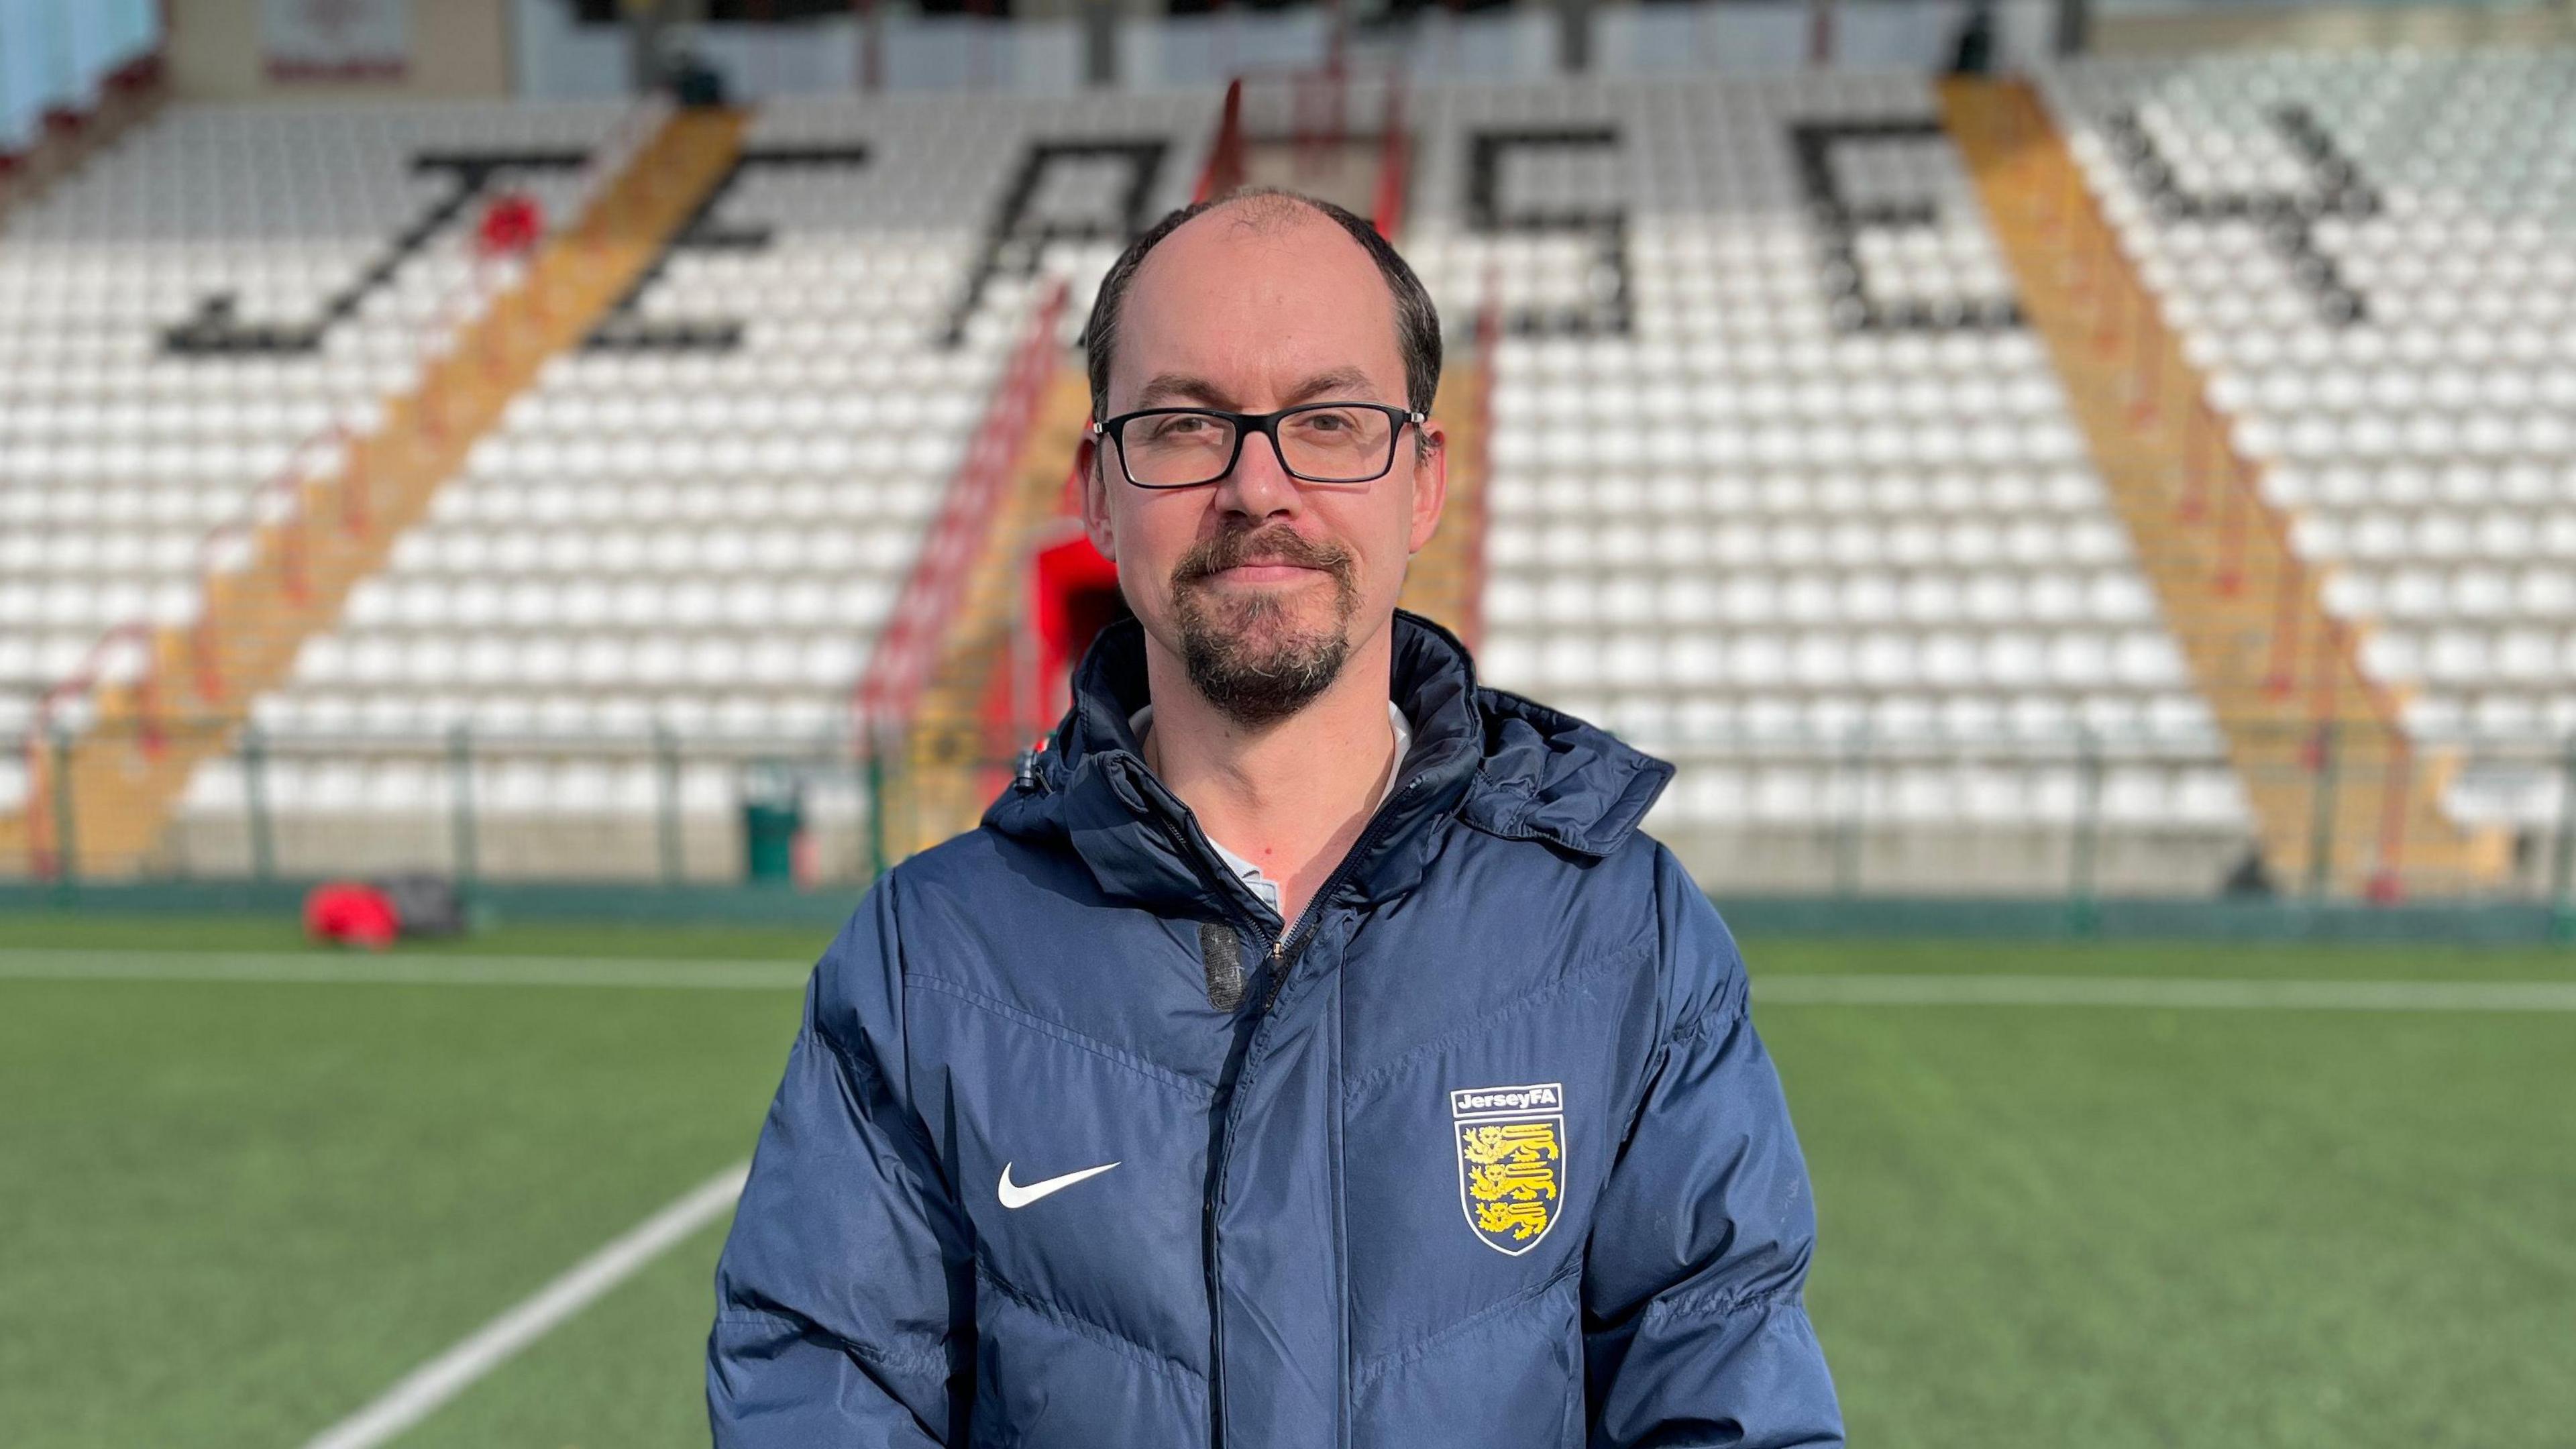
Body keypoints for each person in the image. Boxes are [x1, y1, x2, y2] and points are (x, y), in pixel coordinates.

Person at [706, 186, 1843, 1447]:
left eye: (1331, 419)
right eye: (1187, 424)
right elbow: (818, 1402)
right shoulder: (929, 962)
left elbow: (1727, 1399)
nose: (1259, 485)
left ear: (1422, 481)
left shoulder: (1622, 934)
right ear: (1099, 489)